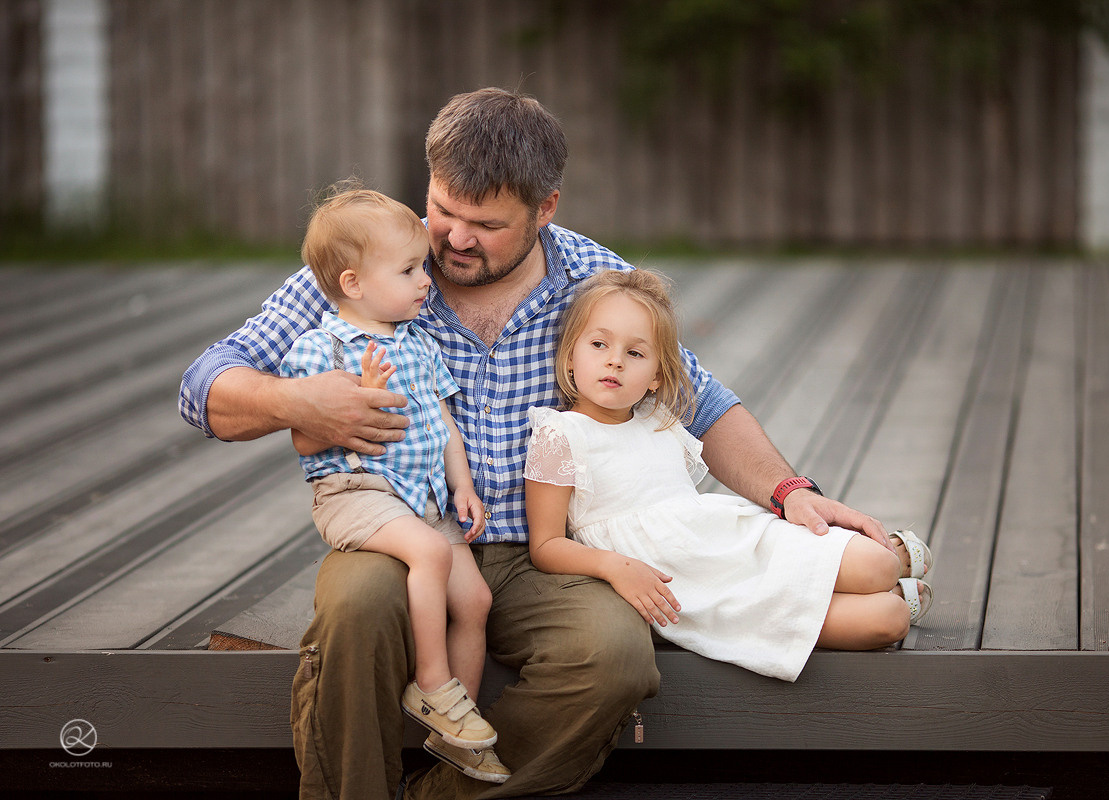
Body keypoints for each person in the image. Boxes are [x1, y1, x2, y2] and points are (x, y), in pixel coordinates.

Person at [179, 87, 896, 800]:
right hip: (400, 535)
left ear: (545, 208)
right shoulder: (370, 265)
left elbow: (701, 402)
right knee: (355, 612)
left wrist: (792, 493)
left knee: (614, 659)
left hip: (547, 554)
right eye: (443, 210)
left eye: (485, 224)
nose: (453, 238)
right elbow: (205, 386)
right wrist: (297, 400)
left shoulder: (593, 278)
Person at [524, 270, 933, 681]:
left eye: (635, 353)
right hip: (691, 589)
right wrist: (613, 566)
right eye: (599, 344)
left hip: (725, 545)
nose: (614, 359)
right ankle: (890, 589)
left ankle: (881, 570)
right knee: (889, 619)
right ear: (570, 358)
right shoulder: (559, 434)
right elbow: (546, 544)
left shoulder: (659, 420)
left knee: (877, 565)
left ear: (656, 378)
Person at [279, 185, 509, 783]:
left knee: (475, 601)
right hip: (356, 496)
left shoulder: (418, 343)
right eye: (408, 270)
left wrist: (462, 486)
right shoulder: (321, 349)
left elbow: (442, 421)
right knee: (430, 552)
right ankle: (432, 684)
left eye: (421, 268)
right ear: (353, 283)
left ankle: (456, 725)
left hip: (426, 500)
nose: (424, 281)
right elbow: (306, 441)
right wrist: (361, 393)